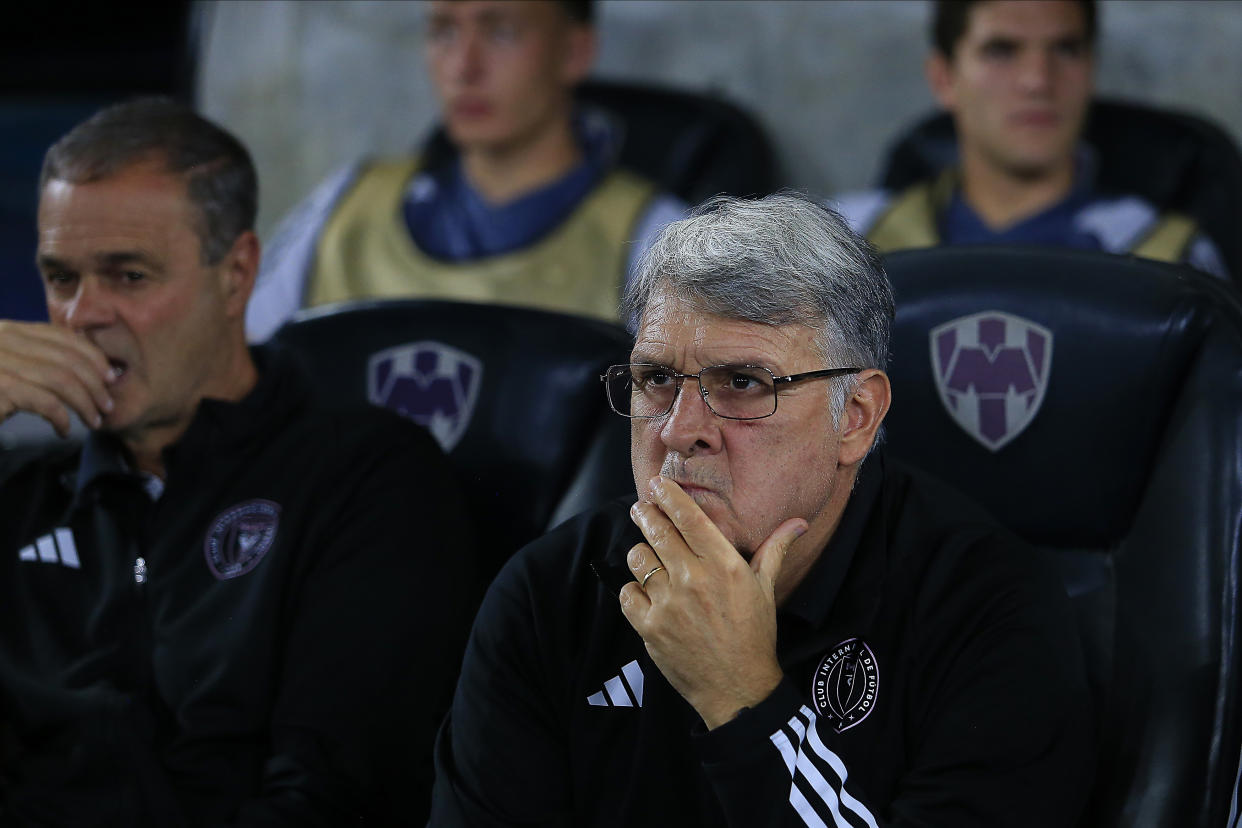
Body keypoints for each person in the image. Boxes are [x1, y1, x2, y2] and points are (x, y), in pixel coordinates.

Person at [428, 192, 1095, 826]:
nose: (679, 429)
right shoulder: (549, 596)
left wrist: (743, 700)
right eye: (657, 378)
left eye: (743, 383)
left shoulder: (989, 608)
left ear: (856, 418)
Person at [0, 98, 474, 825]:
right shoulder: (24, 495)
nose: (81, 315)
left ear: (236, 273)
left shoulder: (364, 481)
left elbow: (332, 798)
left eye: (127, 276)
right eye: (62, 279)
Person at [245, 0, 685, 342]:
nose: (463, 67)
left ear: (575, 50)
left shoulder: (658, 240)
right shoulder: (344, 205)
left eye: (501, 32)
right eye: (443, 31)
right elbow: (242, 360)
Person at [835, 0, 1228, 278]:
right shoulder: (845, 240)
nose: (1038, 80)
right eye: (1002, 50)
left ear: (1090, 70)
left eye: (1066, 49)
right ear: (944, 78)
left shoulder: (1171, 257)